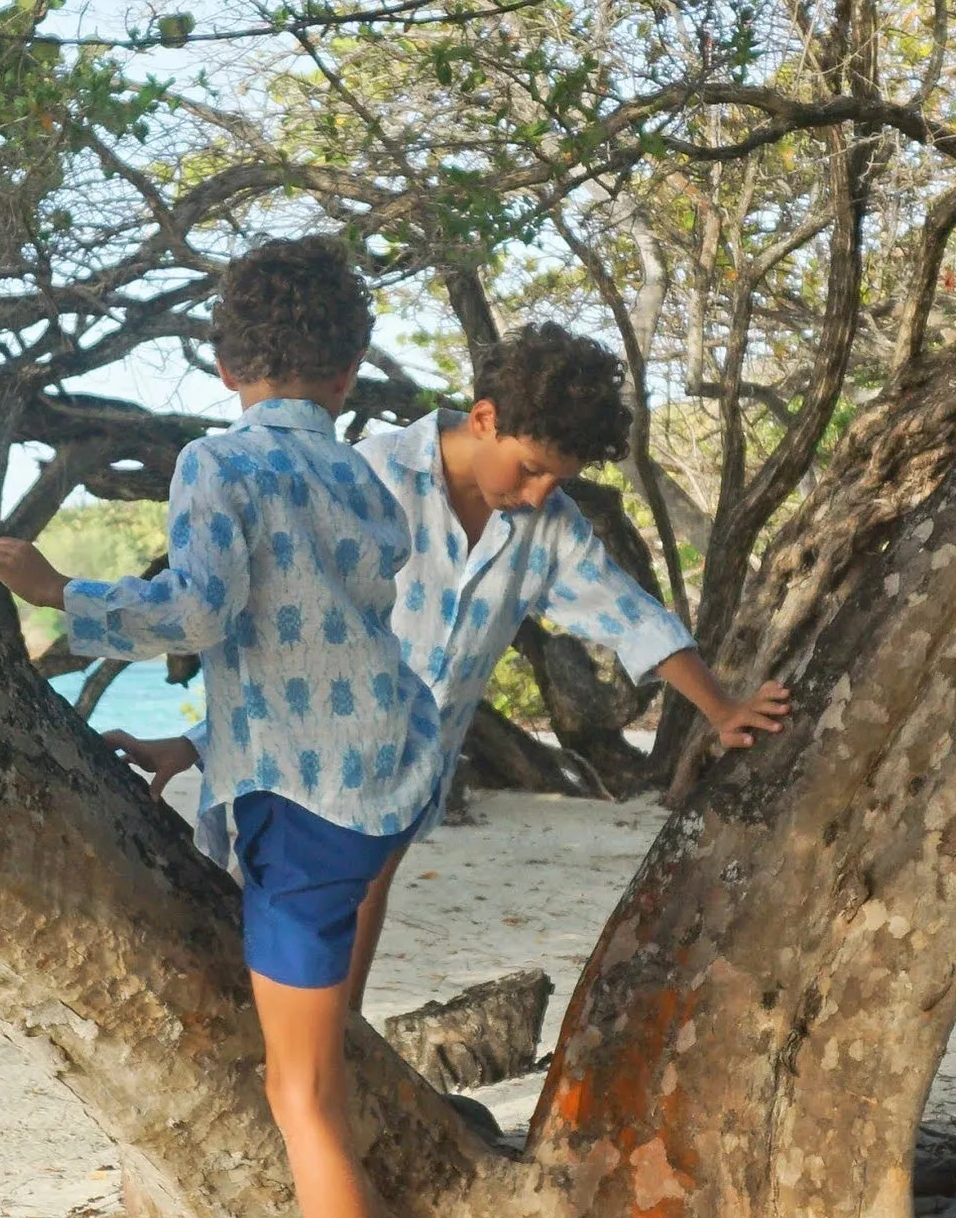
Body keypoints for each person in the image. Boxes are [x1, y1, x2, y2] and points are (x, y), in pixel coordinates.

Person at [0, 236, 441, 1218]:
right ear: (351, 369)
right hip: (388, 776)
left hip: (309, 816)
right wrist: (199, 749)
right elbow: (313, 637)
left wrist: (55, 591)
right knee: (314, 1060)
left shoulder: (216, 462)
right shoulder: (367, 484)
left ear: (225, 362)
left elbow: (200, 609)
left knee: (301, 1093)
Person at [113, 321, 789, 1008]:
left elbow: (630, 615)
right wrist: (200, 744)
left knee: (356, 909)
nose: (538, 494)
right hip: (306, 759)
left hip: (410, 769)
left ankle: (338, 1048)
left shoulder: (550, 525)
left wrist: (723, 709)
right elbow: (284, 638)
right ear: (485, 418)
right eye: (530, 468)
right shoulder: (365, 472)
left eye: (559, 480)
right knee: (276, 928)